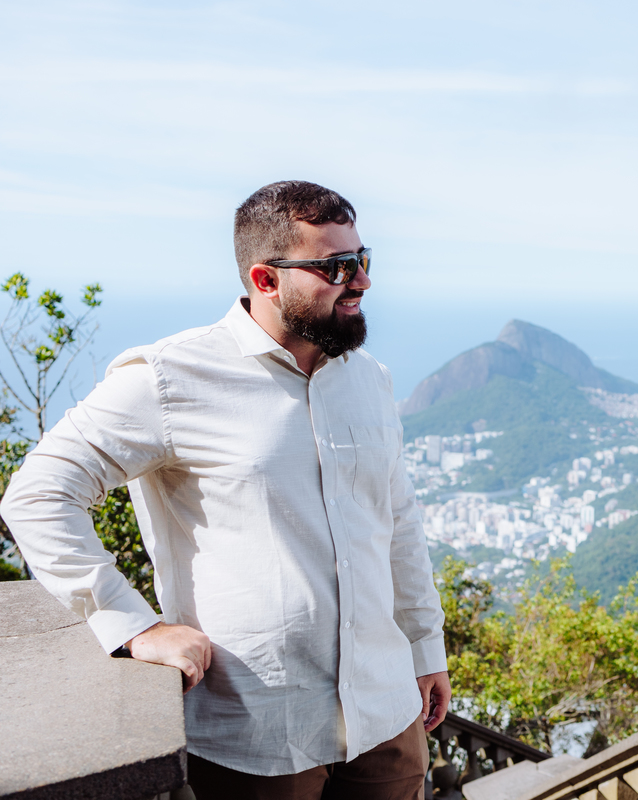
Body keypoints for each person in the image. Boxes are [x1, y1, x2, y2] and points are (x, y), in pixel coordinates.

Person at [1, 180, 449, 800]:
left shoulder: (368, 378)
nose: (362, 281)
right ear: (266, 279)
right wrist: (130, 625)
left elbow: (396, 522)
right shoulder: (170, 377)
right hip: (259, 734)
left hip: (387, 715)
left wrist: (426, 647)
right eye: (336, 267)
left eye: (362, 259)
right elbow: (38, 494)